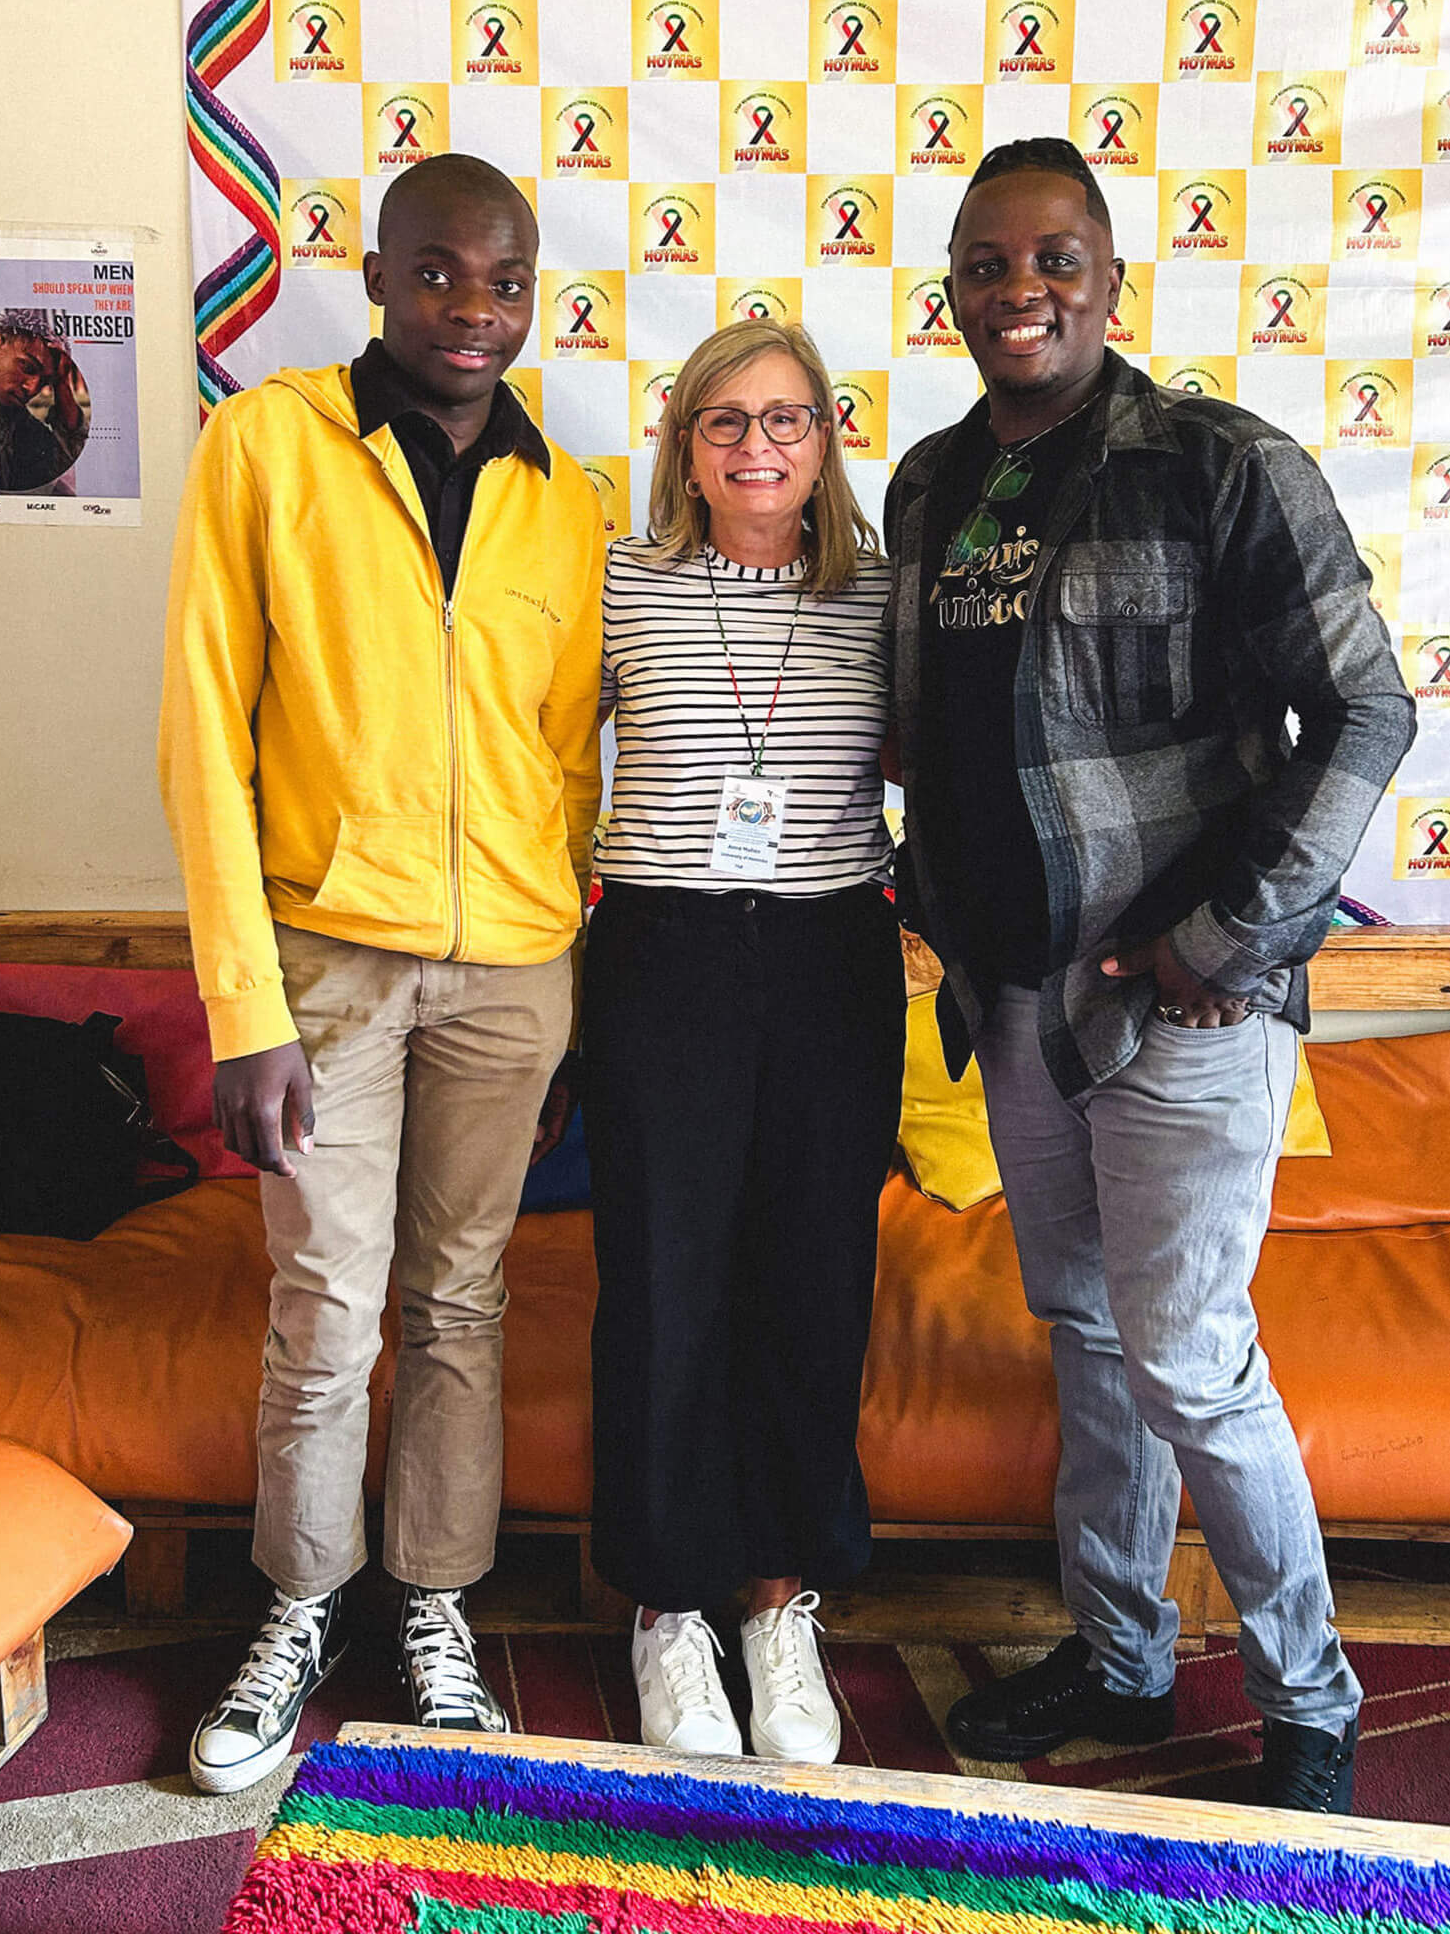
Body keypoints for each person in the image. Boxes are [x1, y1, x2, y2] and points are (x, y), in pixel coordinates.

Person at [883, 137, 1415, 1812]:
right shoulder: (930, 485)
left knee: (1185, 1353)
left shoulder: (1216, 464)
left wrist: (1224, 941)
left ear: (1111, 282)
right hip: (1018, 997)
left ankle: (1309, 1701)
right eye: (984, 262)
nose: (1017, 289)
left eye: (1051, 258)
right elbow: (934, 739)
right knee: (1090, 1341)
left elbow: (1366, 711)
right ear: (952, 290)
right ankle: (1118, 1660)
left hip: (1182, 1002)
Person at [159, 153, 604, 1793]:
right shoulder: (269, 445)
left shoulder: (575, 493)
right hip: (324, 968)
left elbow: (566, 756)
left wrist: (559, 950)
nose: (472, 312)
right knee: (328, 1309)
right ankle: (298, 1605)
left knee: (462, 1299)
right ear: (377, 272)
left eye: (503, 282)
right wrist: (242, 1003)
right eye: (438, 275)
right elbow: (206, 733)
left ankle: (431, 1601)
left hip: (511, 972)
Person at [586, 318, 906, 1765]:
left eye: (787, 418)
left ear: (829, 438)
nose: (757, 447)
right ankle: (665, 1608)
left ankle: (780, 1598)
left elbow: (948, 761)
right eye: (725, 420)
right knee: (663, 1282)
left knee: (812, 1281)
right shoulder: (620, 584)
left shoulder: (882, 596)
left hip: (833, 957)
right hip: (664, 955)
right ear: (684, 442)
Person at [0, 311, 87, 492]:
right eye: (27, 367)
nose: (32, 388)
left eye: (44, 382)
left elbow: (65, 461)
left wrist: (62, 383)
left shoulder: (11, 413)